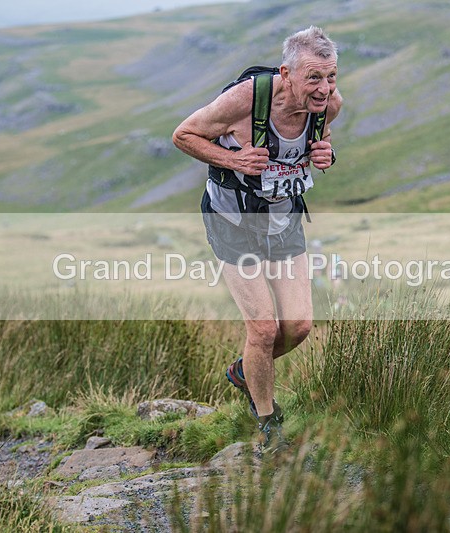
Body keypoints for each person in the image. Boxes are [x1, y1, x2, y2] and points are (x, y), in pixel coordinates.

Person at [172, 26, 342, 451]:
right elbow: (184, 134)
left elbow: (319, 141)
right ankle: (268, 421)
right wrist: (233, 158)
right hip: (233, 221)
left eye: (331, 77)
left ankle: (244, 370)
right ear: (286, 74)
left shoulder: (329, 106)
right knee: (263, 328)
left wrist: (326, 151)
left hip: (284, 222)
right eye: (314, 78)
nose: (324, 90)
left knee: (299, 327)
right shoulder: (246, 100)